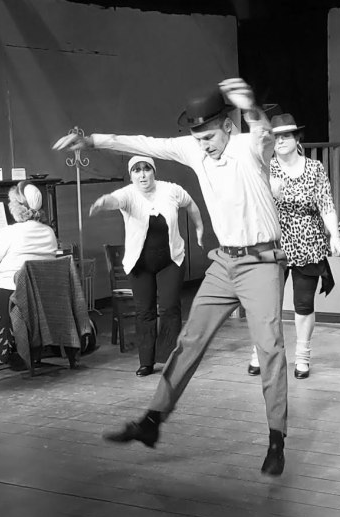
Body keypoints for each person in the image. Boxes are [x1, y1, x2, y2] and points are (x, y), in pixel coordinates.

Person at [53, 78, 289, 476]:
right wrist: (91, 140)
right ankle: (152, 421)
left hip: (261, 263)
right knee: (189, 341)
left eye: (209, 137)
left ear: (228, 125)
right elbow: (146, 143)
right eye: (198, 139)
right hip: (225, 263)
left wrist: (249, 106)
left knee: (269, 349)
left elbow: (263, 132)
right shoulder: (194, 149)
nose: (204, 145)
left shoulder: (248, 146)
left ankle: (276, 438)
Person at [247, 113, 340, 380]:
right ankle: (260, 351)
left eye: (285, 136)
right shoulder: (265, 167)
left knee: (303, 304)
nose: (280, 141)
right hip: (274, 243)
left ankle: (303, 355)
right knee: (267, 305)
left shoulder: (314, 168)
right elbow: (253, 205)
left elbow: (326, 204)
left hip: (308, 244)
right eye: (275, 137)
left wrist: (335, 235)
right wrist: (270, 193)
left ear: (297, 138)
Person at [89, 155, 205, 377]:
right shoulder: (128, 194)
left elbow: (190, 204)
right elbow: (115, 200)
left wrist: (199, 227)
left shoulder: (170, 190)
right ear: (131, 175)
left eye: (146, 169)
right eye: (137, 170)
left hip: (171, 260)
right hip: (140, 264)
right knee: (145, 311)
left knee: (170, 308)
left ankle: (169, 358)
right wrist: (104, 202)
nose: (142, 175)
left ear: (154, 171)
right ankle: (146, 362)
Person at [0, 182, 59, 371]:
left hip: (13, 295)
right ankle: (22, 347)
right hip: (43, 296)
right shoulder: (49, 232)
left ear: (17, 207)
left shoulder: (10, 232)